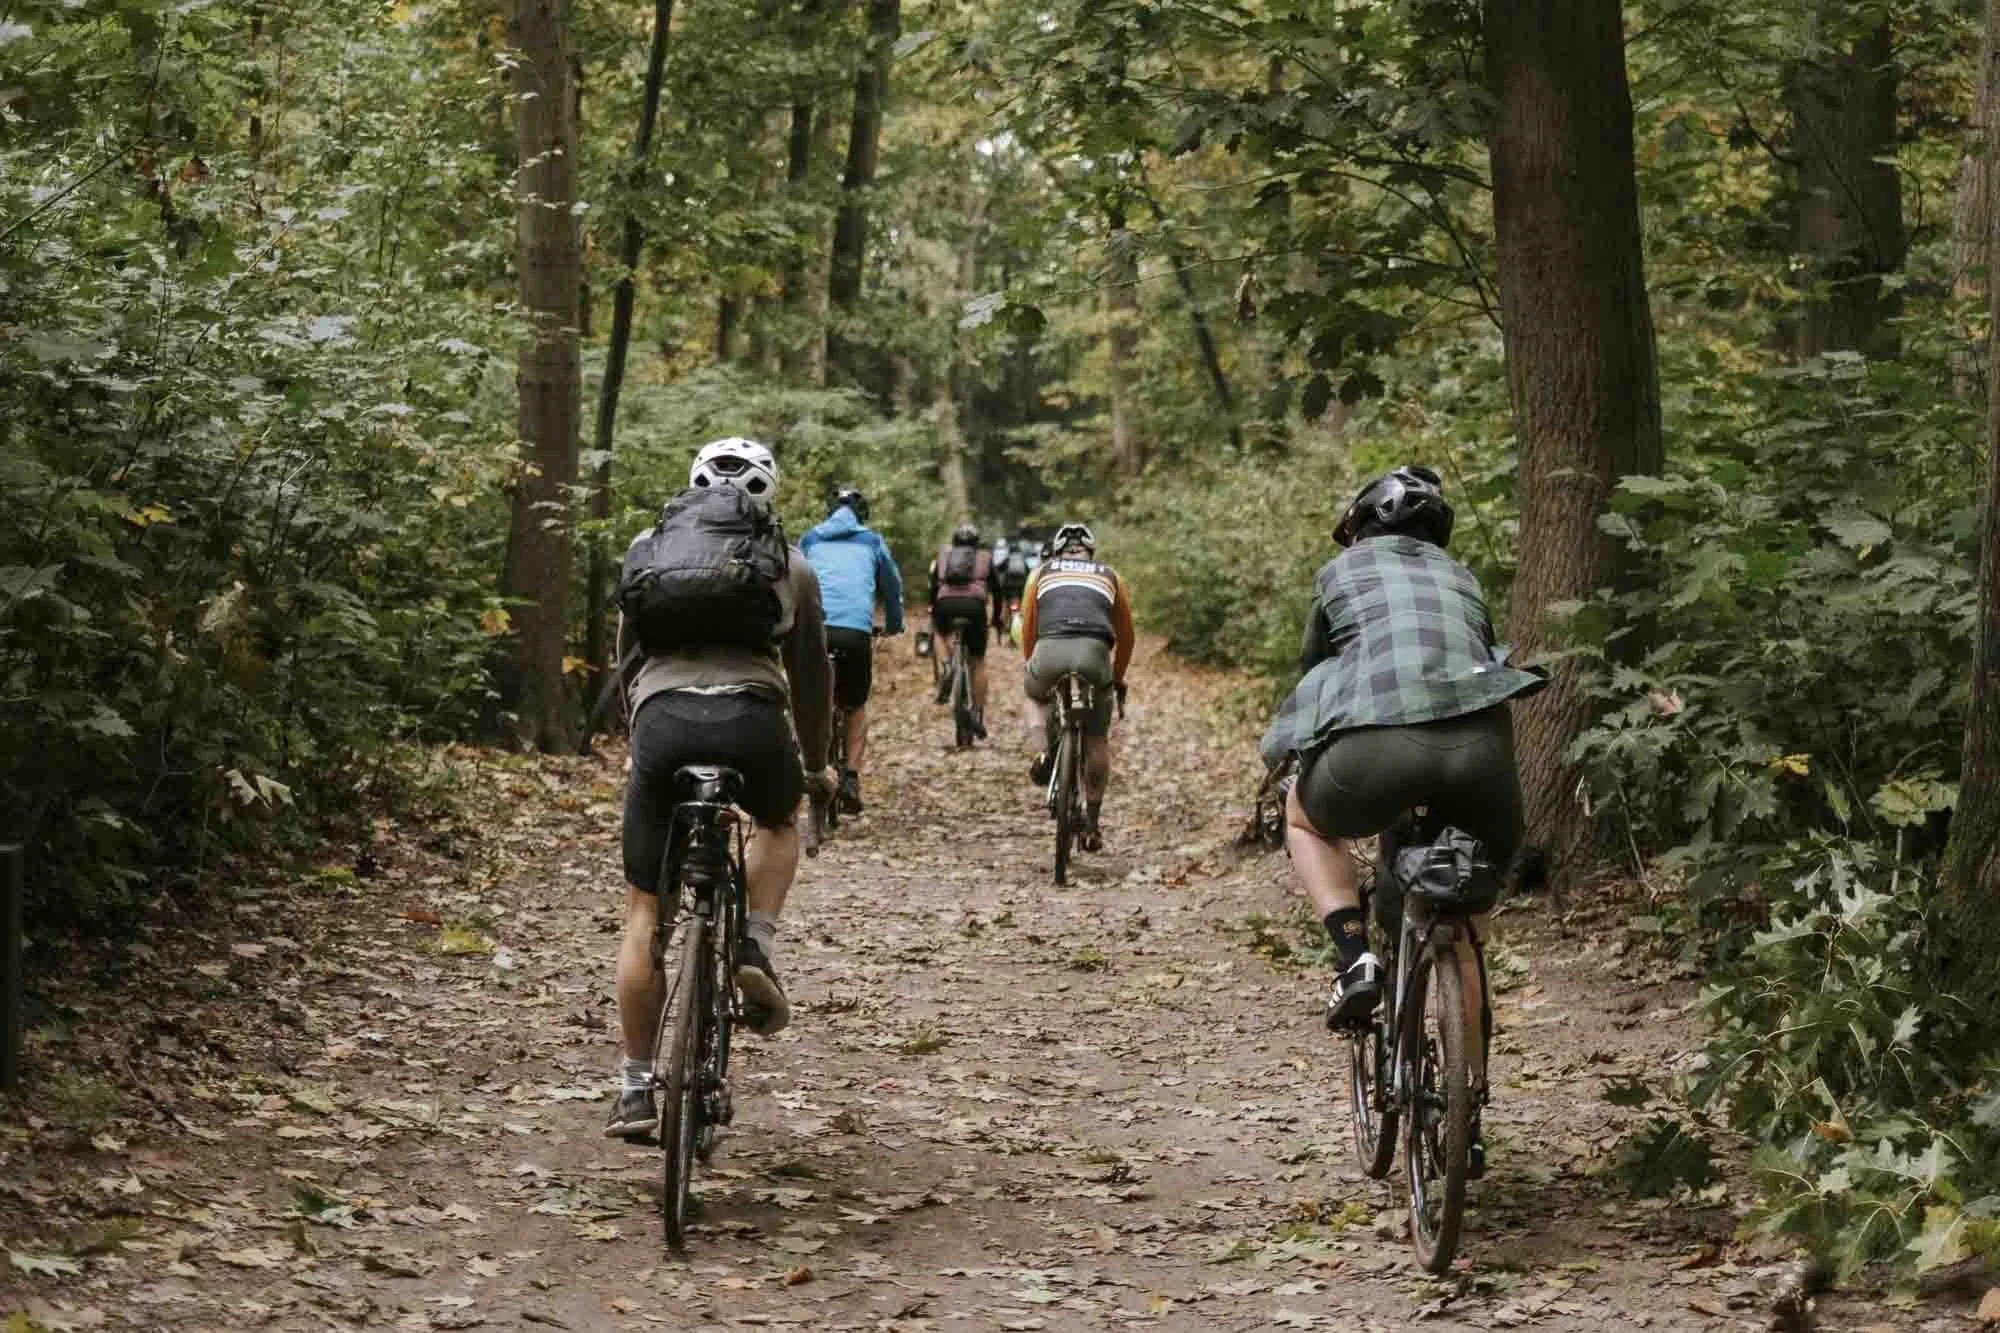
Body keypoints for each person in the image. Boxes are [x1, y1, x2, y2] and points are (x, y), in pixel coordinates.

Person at [1258, 465, 1543, 1172]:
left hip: (1375, 749)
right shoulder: (1463, 578)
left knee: (1305, 819)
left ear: (1360, 525)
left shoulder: (1339, 573)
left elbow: (1315, 673)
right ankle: (1466, 1114)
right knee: (1468, 932)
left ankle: (1354, 954)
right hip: (1481, 755)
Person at [604, 437, 835, 1140]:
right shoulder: (789, 564)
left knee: (644, 915)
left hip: (662, 724)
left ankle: (635, 1086)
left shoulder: (647, 549)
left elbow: (626, 657)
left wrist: (642, 742)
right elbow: (813, 679)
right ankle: (754, 944)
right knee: (778, 819)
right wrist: (817, 766)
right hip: (751, 722)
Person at [1020, 522, 1135, 851]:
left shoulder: (1041, 573)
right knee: (1097, 739)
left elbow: (1029, 627)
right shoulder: (1110, 576)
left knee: (1033, 697)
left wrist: (1033, 663)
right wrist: (1117, 677)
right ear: (1090, 553)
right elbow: (1126, 636)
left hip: (1050, 650)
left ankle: (1044, 752)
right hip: (1094, 656)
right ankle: (1092, 824)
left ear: (1058, 552)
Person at [800, 486, 906, 814]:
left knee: (809, 700)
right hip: (855, 632)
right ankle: (850, 778)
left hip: (815, 629)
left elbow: (794, 580)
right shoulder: (872, 541)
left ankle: (809, 766)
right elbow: (892, 587)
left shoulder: (810, 539)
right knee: (856, 705)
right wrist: (894, 623)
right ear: (862, 516)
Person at [927, 523, 1002, 738]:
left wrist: (933, 608)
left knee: (938, 633)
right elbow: (997, 591)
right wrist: (996, 619)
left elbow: (933, 587)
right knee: (978, 660)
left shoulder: (943, 557)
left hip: (946, 604)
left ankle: (946, 666)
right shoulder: (985, 558)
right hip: (974, 607)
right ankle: (977, 712)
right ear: (977, 544)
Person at [994, 534, 1031, 645]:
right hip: (1020, 588)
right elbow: (1028, 573)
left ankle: (1005, 623)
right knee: (1019, 611)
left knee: (1006, 607)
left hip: (1008, 589)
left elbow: (998, 568)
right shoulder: (1023, 561)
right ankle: (1017, 635)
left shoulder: (1007, 560)